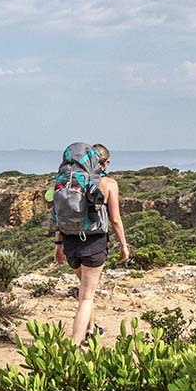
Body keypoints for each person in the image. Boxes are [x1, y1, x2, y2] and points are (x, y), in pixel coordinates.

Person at [53, 143, 130, 346]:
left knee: (85, 287)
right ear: (105, 163)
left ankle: (90, 330)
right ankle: (74, 346)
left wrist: (58, 244)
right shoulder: (109, 183)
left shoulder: (70, 180)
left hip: (70, 241)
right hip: (93, 243)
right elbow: (115, 220)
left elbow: (59, 213)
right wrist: (124, 245)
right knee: (86, 296)